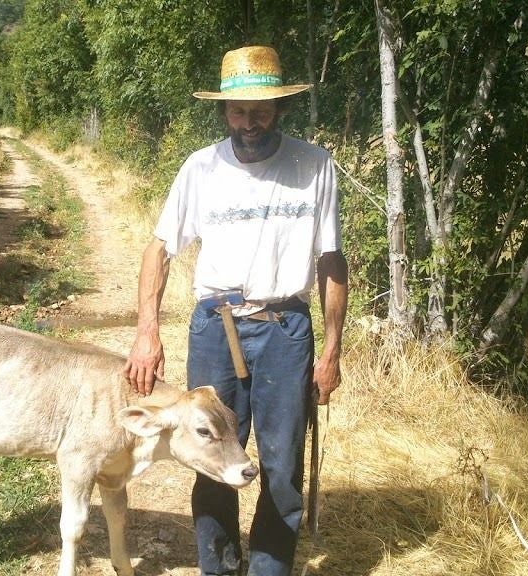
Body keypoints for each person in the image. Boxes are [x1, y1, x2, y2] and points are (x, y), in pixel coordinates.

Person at [124, 45, 348, 576]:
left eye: (262, 111)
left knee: (282, 463)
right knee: (210, 456)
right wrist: (146, 332)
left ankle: (269, 568)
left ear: (280, 109)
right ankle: (219, 567)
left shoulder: (315, 166)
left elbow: (332, 260)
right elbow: (159, 249)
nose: (250, 123)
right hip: (213, 328)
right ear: (225, 110)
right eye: (239, 111)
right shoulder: (200, 168)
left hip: (285, 329)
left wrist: (332, 350)